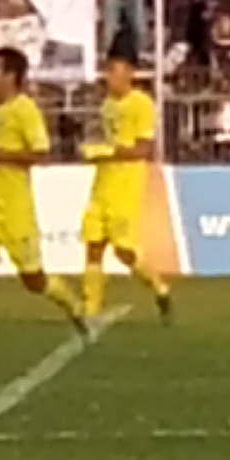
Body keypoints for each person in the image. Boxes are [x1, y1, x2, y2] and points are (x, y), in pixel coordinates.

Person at [0, 48, 91, 372]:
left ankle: (73, 305)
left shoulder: (25, 111)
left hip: (13, 210)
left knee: (33, 281)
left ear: (11, 76)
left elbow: (40, 154)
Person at [77, 51, 176, 325]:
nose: (110, 80)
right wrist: (96, 152)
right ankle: (91, 308)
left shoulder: (141, 104)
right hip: (103, 183)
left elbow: (143, 149)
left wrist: (106, 151)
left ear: (129, 75)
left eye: (116, 73)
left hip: (127, 185)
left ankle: (159, 288)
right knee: (93, 244)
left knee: (125, 251)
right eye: (108, 73)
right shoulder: (108, 104)